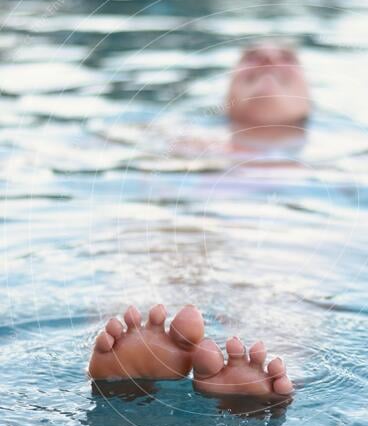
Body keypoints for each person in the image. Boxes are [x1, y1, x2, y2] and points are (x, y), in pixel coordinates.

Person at [88, 43, 309, 397]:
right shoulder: (176, 136)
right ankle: (131, 363)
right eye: (251, 57)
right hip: (183, 225)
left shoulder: (347, 149)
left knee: (279, 288)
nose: (268, 60)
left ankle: (260, 380)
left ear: (308, 97)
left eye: (287, 58)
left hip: (278, 230)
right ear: (228, 93)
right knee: (144, 275)